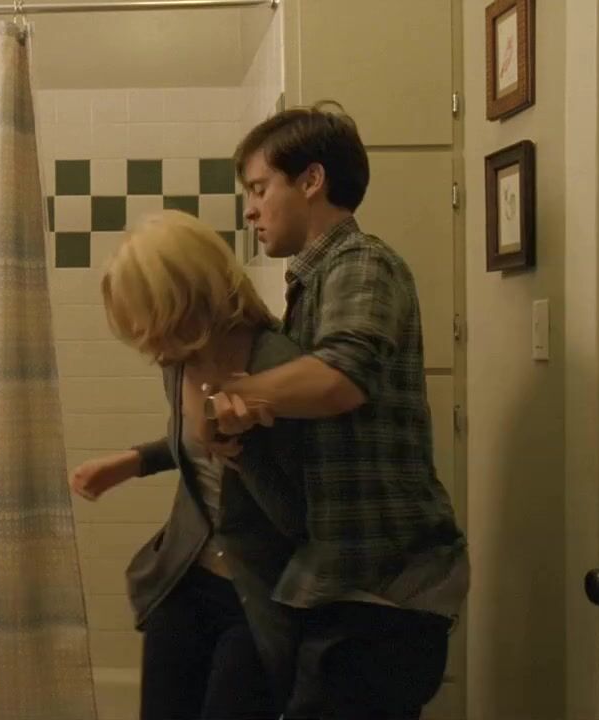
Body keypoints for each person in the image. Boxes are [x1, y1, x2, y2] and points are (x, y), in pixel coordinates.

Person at [207, 103, 470, 720]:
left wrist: (237, 394)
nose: (250, 210)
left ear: (312, 180)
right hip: (342, 584)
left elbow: (341, 379)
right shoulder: (310, 289)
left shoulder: (362, 263)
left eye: (259, 188)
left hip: (387, 589)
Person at [70, 209, 307, 720]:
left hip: (258, 591)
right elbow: (193, 442)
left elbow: (303, 516)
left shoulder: (278, 365)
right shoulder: (179, 363)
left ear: (189, 300)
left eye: (154, 324)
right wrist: (133, 462)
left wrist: (242, 458)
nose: (149, 346)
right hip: (186, 578)